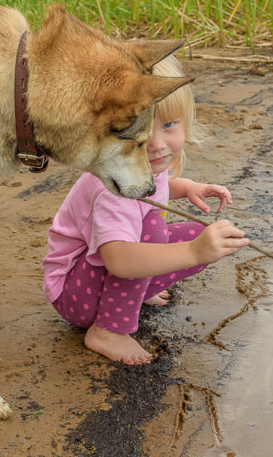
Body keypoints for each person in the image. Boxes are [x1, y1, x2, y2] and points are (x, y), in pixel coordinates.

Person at [42, 57, 249, 364]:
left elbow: (159, 187)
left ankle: (130, 295)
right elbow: (120, 258)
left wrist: (187, 187)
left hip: (100, 274)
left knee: (195, 233)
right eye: (137, 129)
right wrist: (194, 253)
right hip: (74, 294)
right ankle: (107, 330)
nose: (156, 144)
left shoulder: (145, 164)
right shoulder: (114, 187)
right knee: (158, 233)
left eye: (168, 125)